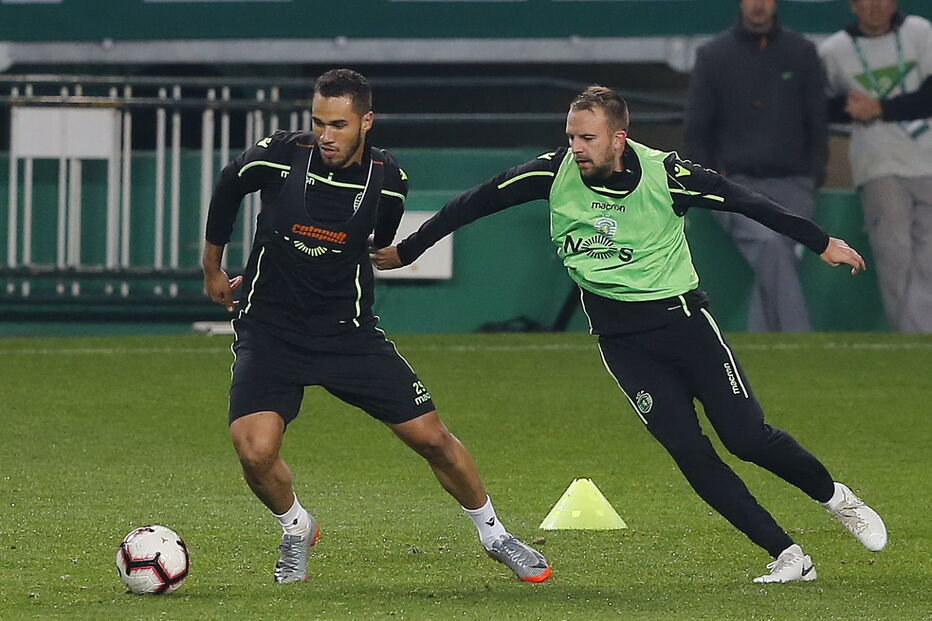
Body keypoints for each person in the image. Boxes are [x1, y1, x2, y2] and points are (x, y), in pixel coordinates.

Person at [372, 86, 888, 584]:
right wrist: (410, 249)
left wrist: (821, 243)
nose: (575, 148)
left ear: (618, 138)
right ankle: (788, 554)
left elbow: (743, 200)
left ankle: (837, 499)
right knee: (689, 451)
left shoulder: (669, 175)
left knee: (747, 438)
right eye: (571, 136)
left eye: (587, 139)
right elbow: (477, 201)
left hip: (685, 326)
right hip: (623, 343)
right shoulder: (553, 172)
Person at [202, 69, 550, 584]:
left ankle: (495, 534)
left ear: (366, 121)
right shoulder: (278, 155)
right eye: (318, 122)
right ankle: (296, 527)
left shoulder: (390, 181)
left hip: (347, 333)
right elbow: (230, 184)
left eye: (339, 125)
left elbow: (376, 241)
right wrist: (212, 266)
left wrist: (391, 254)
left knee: (432, 438)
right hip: (269, 330)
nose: (326, 135)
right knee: (254, 451)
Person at [684, 0, 828, 333]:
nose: (759, 4)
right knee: (772, 246)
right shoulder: (714, 56)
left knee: (775, 254)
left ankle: (764, 344)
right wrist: (709, 183)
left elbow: (817, 123)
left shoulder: (801, 52)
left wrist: (812, 175)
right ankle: (797, 338)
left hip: (794, 182)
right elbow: (695, 130)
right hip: (735, 185)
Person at [819, 0, 932, 333]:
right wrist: (849, 108)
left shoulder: (920, 32)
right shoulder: (834, 50)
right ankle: (914, 336)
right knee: (893, 251)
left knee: (928, 255)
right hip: (878, 163)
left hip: (927, 159)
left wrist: (880, 108)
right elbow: (824, 105)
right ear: (853, 6)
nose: (874, 7)